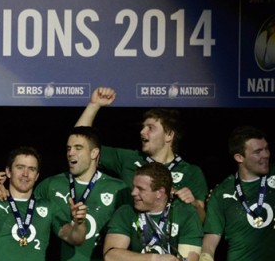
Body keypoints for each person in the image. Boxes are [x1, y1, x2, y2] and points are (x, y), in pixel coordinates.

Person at [193, 126, 275, 261]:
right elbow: (211, 238)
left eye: (266, 149)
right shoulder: (222, 193)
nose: (266, 155)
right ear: (239, 157)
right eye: (257, 152)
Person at [77, 86, 208, 220]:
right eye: (143, 127)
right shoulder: (129, 159)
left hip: (170, 239)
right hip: (131, 236)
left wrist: (193, 203)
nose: (142, 132)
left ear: (169, 135)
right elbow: (81, 145)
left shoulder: (191, 172)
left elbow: (201, 219)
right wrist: (94, 105)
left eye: (150, 128)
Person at [0, 146, 87, 261]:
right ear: (8, 172)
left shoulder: (48, 206)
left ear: (37, 176)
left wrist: (79, 223)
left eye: (32, 169)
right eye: (20, 167)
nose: (25, 173)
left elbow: (75, 239)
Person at [33, 126, 128, 261]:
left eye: (78, 148)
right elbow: (21, 208)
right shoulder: (50, 186)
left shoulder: (118, 189)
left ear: (94, 153)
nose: (71, 153)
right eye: (69, 148)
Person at [103, 162, 202, 261]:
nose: (133, 193)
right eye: (134, 187)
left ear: (159, 192)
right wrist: (155, 259)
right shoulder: (126, 212)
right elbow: (111, 258)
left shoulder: (186, 213)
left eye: (140, 189)